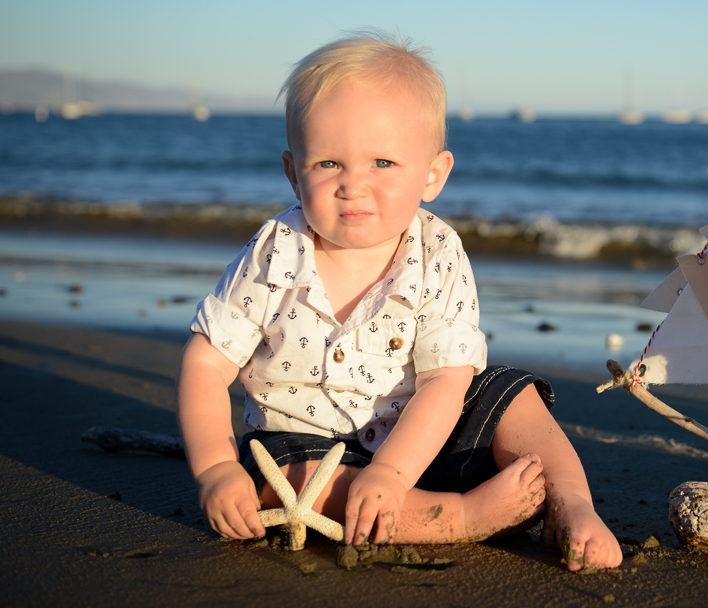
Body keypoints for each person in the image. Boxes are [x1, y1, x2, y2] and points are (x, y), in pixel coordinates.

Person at [176, 32, 621, 571]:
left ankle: (571, 503)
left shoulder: (437, 253)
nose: (353, 186)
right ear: (295, 173)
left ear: (433, 174)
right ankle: (457, 519)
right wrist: (215, 468)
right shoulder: (275, 252)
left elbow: (444, 383)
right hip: (307, 446)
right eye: (328, 164)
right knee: (282, 479)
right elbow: (205, 363)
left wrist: (391, 473)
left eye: (382, 163)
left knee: (507, 390)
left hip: (418, 437)